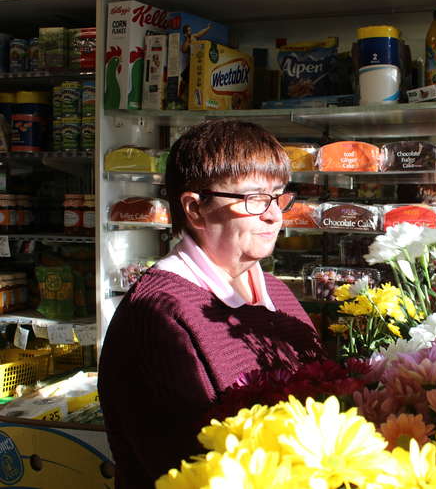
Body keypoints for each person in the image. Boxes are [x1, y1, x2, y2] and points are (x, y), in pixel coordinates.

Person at [98, 120, 323, 488]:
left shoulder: (277, 293)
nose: (274, 214)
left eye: (279, 196)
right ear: (195, 208)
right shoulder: (156, 316)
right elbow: (195, 471)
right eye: (254, 199)